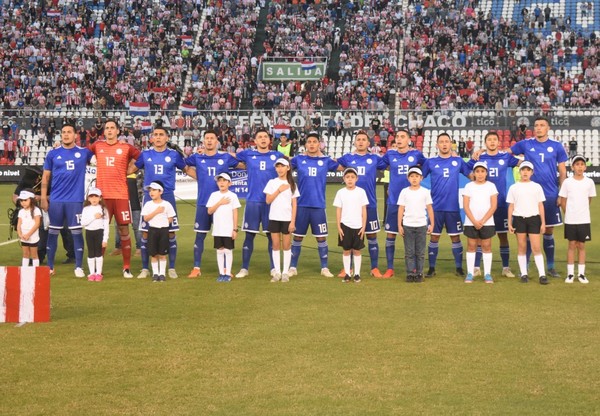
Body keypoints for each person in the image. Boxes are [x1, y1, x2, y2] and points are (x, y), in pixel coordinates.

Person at [510, 116, 567, 278]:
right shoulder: (526, 144)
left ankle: (550, 266)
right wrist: (519, 163)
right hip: (528, 196)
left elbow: (563, 172)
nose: (539, 128)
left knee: (548, 230)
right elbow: (505, 154)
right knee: (527, 232)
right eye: (536, 125)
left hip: (550, 195)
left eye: (542, 125)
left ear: (548, 127)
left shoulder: (556, 146)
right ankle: (525, 267)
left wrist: (561, 193)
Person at [130, 126, 187, 279]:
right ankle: (145, 268)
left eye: (161, 135)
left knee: (170, 232)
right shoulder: (145, 154)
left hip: (168, 197)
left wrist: (203, 179)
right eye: (155, 135)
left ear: (167, 138)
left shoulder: (174, 155)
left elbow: (187, 169)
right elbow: (131, 169)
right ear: (152, 138)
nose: (158, 137)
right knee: (146, 232)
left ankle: (172, 268)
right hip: (149, 198)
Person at [184, 130, 240, 278]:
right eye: (207, 138)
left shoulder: (225, 157)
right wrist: (198, 177)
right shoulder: (197, 157)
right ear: (203, 141)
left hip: (223, 205)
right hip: (203, 203)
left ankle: (226, 270)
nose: (209, 141)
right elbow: (183, 165)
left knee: (225, 237)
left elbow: (242, 165)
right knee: (200, 236)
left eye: (212, 138)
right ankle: (196, 268)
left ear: (217, 141)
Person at [89, 119, 141, 278]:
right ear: (104, 132)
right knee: (99, 231)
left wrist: (131, 168)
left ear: (118, 131)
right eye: (107, 128)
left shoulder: (126, 147)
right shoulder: (97, 146)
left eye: (112, 128)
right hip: (102, 197)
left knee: (124, 230)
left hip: (121, 196)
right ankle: (97, 268)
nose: (109, 130)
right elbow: (81, 154)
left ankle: (126, 267)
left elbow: (143, 158)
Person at [41, 123, 93, 276]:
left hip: (75, 200)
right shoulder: (53, 153)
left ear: (76, 135)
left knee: (76, 233)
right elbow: (46, 176)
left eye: (69, 132)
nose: (66, 135)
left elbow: (98, 161)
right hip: (56, 200)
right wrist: (44, 197)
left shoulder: (84, 153)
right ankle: (49, 267)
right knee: (53, 233)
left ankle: (78, 267)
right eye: (63, 132)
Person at [468, 131, 520, 278]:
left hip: (501, 203)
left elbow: (522, 164)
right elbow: (465, 168)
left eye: (494, 140)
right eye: (489, 140)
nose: (492, 142)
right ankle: (477, 267)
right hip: (483, 205)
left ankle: (505, 267)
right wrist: (473, 178)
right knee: (479, 237)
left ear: (498, 142)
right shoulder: (479, 157)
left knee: (503, 236)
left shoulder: (505, 157)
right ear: (485, 143)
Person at [234, 129, 284, 279]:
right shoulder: (248, 154)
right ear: (254, 141)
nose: (263, 139)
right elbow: (231, 158)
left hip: (271, 202)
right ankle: (244, 268)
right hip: (253, 202)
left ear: (270, 140)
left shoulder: (277, 156)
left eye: (265, 137)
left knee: (272, 236)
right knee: (249, 235)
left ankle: (274, 267)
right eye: (259, 137)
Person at [337, 131, 387, 277]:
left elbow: (388, 165)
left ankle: (374, 268)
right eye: (358, 139)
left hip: (369, 204)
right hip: (349, 207)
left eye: (363, 139)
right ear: (354, 142)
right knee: (350, 238)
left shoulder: (374, 158)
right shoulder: (348, 158)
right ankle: (348, 269)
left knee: (372, 236)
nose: (360, 142)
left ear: (368, 143)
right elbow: (335, 165)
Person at [289, 133, 339, 277]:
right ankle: (293, 267)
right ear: (305, 144)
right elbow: (284, 168)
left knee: (321, 237)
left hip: (318, 206)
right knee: (297, 237)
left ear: (319, 144)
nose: (311, 144)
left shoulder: (326, 160)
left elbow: (341, 167)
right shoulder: (299, 159)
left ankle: (324, 268)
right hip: (301, 205)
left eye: (314, 142)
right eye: (309, 142)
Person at [421, 133, 471, 277]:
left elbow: (471, 176)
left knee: (455, 237)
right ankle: (431, 268)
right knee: (434, 237)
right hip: (435, 208)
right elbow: (418, 178)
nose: (444, 144)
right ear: (437, 145)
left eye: (446, 142)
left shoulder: (458, 161)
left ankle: (459, 267)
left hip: (452, 208)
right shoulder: (430, 162)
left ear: (451, 144)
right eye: (441, 142)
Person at [381, 129, 426, 278]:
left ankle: (416, 269)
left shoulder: (416, 154)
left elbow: (427, 166)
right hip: (394, 201)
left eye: (402, 137)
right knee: (391, 235)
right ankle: (389, 268)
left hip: (413, 203)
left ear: (409, 140)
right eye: (397, 137)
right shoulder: (390, 154)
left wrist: (419, 179)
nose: (399, 139)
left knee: (414, 237)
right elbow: (379, 164)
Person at [507, 162, 548, 285]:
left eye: (528, 170)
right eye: (523, 170)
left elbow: (541, 205)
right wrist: (509, 222)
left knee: (536, 247)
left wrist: (543, 222)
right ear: (519, 171)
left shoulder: (537, 187)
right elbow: (511, 206)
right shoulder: (514, 187)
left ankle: (542, 274)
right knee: (522, 247)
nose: (525, 172)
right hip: (519, 218)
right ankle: (524, 273)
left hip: (534, 218)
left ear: (532, 172)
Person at [559, 155, 596, 284]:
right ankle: (570, 274)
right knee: (571, 245)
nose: (579, 167)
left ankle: (581, 274)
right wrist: (568, 213)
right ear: (572, 167)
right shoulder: (567, 182)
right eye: (577, 164)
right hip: (571, 219)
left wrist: (581, 211)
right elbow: (563, 200)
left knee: (581, 245)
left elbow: (589, 199)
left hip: (584, 219)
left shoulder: (589, 182)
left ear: (585, 167)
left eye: (582, 164)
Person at [263, 158, 299, 283]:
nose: (280, 169)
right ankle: (277, 272)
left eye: (282, 166)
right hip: (274, 217)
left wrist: (293, 221)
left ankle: (285, 272)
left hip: (287, 219)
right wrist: (278, 190)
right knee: (276, 245)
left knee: (287, 245)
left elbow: (294, 204)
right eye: (278, 166)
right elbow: (268, 200)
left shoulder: (292, 184)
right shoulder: (272, 182)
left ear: (288, 168)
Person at [462, 162, 498, 284]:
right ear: (474, 173)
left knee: (486, 246)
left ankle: (487, 273)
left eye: (482, 171)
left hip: (487, 222)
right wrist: (474, 221)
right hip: (471, 222)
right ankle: (470, 273)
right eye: (477, 171)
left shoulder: (491, 186)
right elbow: (466, 206)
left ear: (486, 173)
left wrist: (482, 221)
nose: (480, 174)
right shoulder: (469, 186)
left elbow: (493, 206)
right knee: (471, 246)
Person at [397, 167, 434, 283]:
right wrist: (399, 225)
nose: (414, 179)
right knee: (409, 252)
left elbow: (429, 208)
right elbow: (401, 209)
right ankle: (410, 273)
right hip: (408, 225)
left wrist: (432, 224)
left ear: (421, 178)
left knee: (420, 252)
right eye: (412, 176)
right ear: (408, 178)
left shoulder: (425, 192)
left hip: (421, 225)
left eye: (416, 176)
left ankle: (419, 272)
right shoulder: (404, 191)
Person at [333, 167, 369, 283]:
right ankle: (348, 273)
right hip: (345, 225)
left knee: (357, 250)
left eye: (352, 177)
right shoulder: (340, 192)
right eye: (347, 177)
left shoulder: (361, 192)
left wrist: (363, 226)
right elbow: (338, 210)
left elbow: (364, 210)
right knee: (346, 250)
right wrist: (339, 226)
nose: (350, 179)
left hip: (358, 226)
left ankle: (357, 274)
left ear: (356, 179)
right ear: (344, 178)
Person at [206, 173, 241, 282]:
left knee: (228, 250)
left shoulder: (233, 196)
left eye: (224, 180)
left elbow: (235, 212)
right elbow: (209, 211)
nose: (221, 182)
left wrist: (235, 229)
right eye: (219, 180)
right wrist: (220, 202)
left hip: (228, 229)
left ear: (229, 183)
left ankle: (227, 273)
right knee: (220, 251)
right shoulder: (214, 195)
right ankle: (221, 273)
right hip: (218, 229)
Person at [141, 181, 177, 283]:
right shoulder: (148, 204)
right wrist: (156, 211)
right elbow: (146, 218)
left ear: (160, 191)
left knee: (162, 253)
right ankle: (155, 273)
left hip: (164, 230)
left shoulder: (167, 204)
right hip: (152, 230)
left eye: (154, 190)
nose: (151, 192)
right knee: (154, 254)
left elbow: (170, 218)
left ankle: (162, 274)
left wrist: (163, 222)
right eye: (150, 190)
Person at [80, 187, 109, 282]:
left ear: (100, 198)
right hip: (89, 232)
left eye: (96, 196)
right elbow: (83, 222)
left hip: (99, 232)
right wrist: (94, 217)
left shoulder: (103, 209)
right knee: (91, 253)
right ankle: (92, 273)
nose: (94, 199)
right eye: (91, 197)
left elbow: (106, 225)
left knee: (98, 253)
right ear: (88, 198)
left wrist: (105, 239)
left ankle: (98, 273)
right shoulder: (86, 209)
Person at [17, 190, 42, 268]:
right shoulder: (21, 211)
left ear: (31, 200)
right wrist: (20, 234)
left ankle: (36, 271)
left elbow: (37, 224)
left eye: (25, 200)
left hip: (33, 236)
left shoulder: (36, 210)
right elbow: (19, 225)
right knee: (25, 254)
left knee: (34, 254)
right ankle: (24, 269)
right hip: (24, 236)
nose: (23, 202)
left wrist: (28, 234)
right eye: (21, 200)